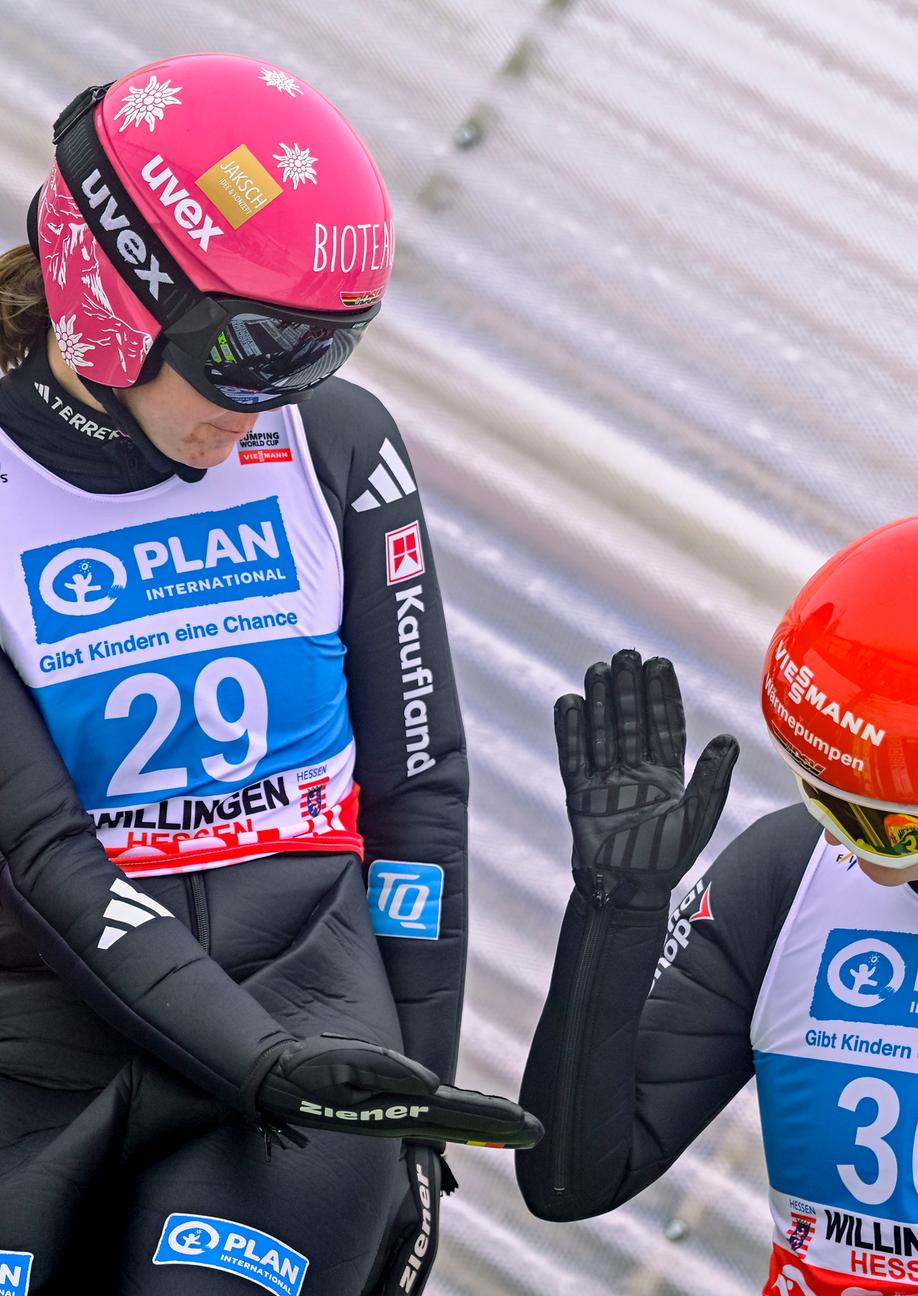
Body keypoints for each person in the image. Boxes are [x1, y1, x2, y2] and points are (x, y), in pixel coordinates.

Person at [0, 53, 538, 1296]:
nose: (260, 414)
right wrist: (254, 1057)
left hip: (307, 1028)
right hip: (42, 1044)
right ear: (114, 292)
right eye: (243, 361)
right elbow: (46, 857)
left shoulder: (339, 449)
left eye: (314, 361)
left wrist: (410, 1120)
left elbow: (421, 796)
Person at [517, 509, 918, 1296]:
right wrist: (617, 910)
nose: (843, 844)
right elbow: (568, 1182)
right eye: (820, 796)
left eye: (881, 826)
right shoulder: (787, 872)